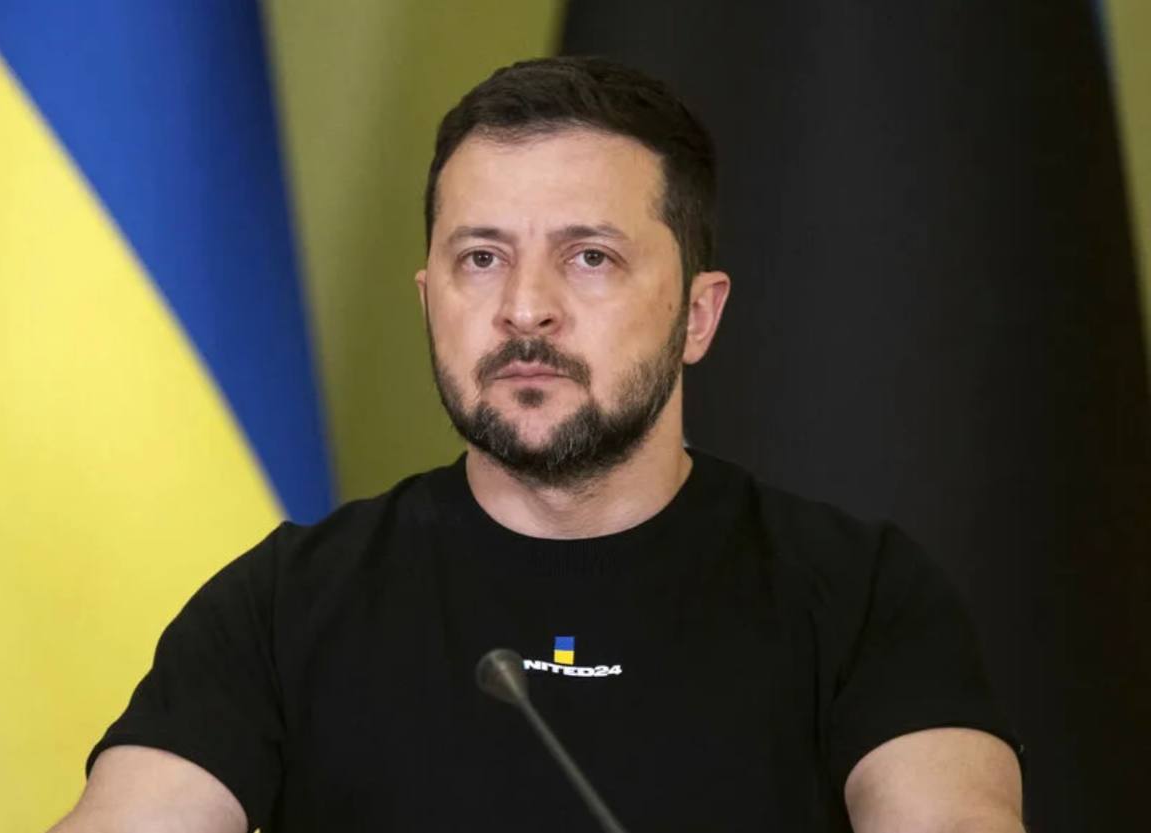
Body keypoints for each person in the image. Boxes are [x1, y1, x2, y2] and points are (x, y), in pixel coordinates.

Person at [50, 57, 1024, 832]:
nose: (524, 308)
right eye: (481, 258)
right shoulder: (282, 604)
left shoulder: (863, 596)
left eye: (588, 257)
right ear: (429, 300)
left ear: (697, 314)